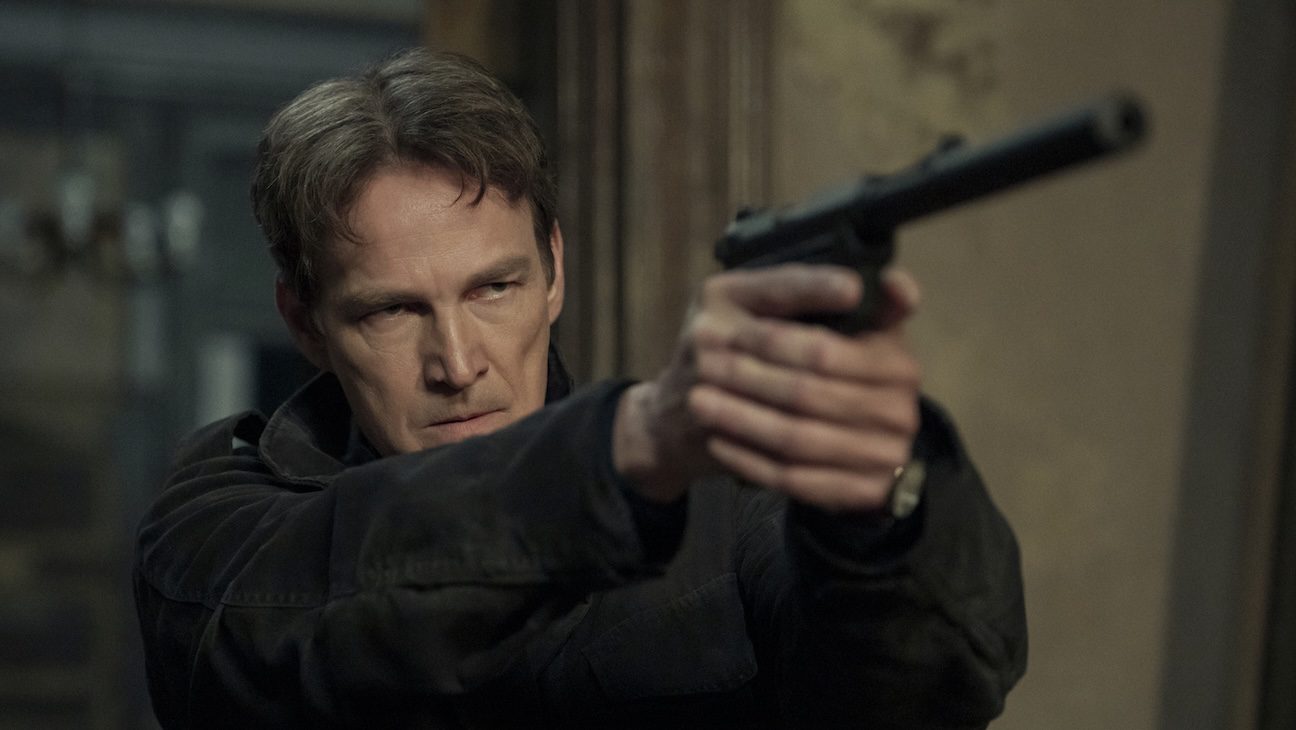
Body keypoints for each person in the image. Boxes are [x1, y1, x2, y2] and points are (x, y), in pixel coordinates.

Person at [133, 48, 1026, 728]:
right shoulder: (227, 514)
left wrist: (875, 509)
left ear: (553, 271)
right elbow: (292, 623)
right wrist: (626, 455)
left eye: (494, 288)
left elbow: (921, 692)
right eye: (394, 311)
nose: (458, 362)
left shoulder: (732, 506)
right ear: (305, 322)